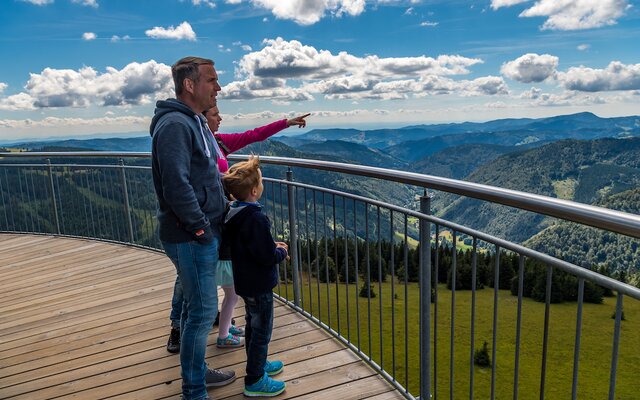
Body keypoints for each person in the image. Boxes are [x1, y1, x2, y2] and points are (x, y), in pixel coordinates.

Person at [166, 104, 310, 352]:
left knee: (214, 280)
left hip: (222, 223)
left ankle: (215, 322)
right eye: (214, 114)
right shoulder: (194, 145)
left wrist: (286, 122)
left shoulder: (218, 143)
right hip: (202, 225)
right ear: (200, 119)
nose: (220, 118)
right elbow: (179, 185)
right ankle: (179, 328)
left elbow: (254, 135)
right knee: (191, 280)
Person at [150, 56, 235, 400]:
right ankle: (194, 390)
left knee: (192, 310)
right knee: (201, 314)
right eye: (212, 80)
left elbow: (200, 175)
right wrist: (202, 229)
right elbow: (176, 184)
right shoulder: (175, 125)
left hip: (196, 232)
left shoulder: (192, 122)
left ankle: (197, 374)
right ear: (190, 85)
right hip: (191, 236)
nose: (218, 88)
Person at [222, 156, 289, 397]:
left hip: (245, 282)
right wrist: (280, 251)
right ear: (253, 190)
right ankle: (254, 380)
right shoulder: (256, 218)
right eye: (260, 182)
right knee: (262, 331)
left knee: (253, 326)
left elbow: (250, 246)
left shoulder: (235, 213)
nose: (262, 185)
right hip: (260, 284)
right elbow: (265, 256)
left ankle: (257, 365)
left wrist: (270, 245)